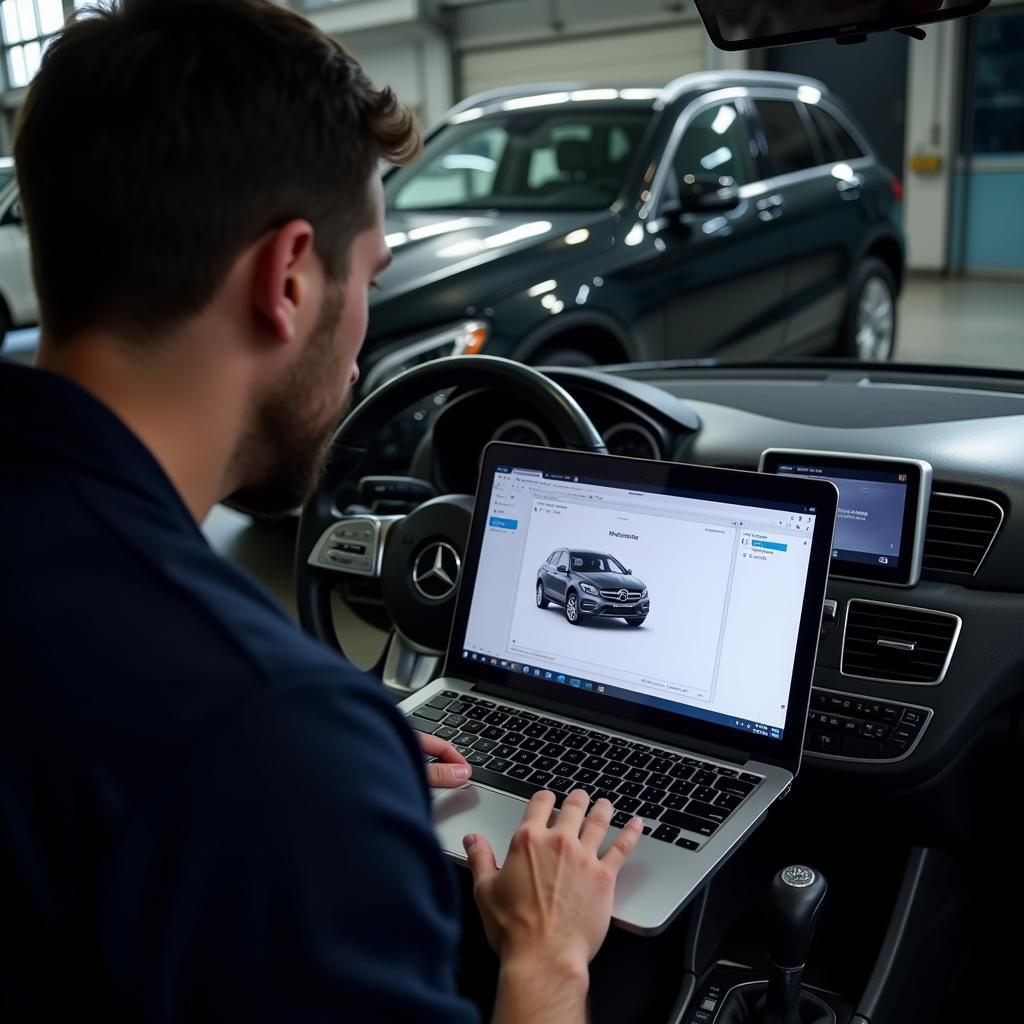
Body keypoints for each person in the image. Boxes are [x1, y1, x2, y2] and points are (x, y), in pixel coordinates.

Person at [0, 0, 642, 1021]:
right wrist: (549, 960)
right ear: (289, 275)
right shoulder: (264, 735)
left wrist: (345, 757)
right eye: (371, 277)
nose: (361, 343)